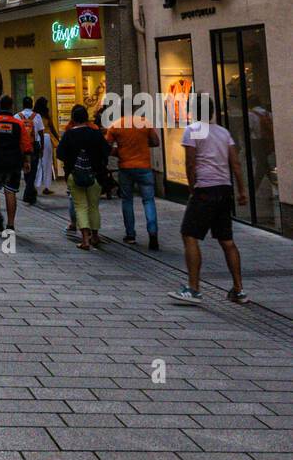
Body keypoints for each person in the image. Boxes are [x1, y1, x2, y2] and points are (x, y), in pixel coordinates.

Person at [169, 95, 249, 305]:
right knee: (227, 240)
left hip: (205, 188)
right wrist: (241, 190)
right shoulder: (224, 133)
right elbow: (236, 163)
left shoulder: (193, 130)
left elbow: (190, 163)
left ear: (193, 110)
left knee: (189, 235)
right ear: (212, 111)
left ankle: (194, 289)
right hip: (224, 189)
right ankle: (239, 290)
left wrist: (192, 187)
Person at [57, 104, 110, 249]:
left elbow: (60, 154)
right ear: (86, 118)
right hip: (95, 175)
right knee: (94, 206)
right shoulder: (95, 133)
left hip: (75, 175)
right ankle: (96, 236)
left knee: (80, 206)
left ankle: (85, 240)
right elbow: (107, 150)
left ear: (73, 119)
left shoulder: (69, 134)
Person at [105, 109, 161, 248]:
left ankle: (130, 235)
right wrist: (141, 144)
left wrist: (120, 152)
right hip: (144, 166)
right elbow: (155, 142)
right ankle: (153, 233)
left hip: (125, 167)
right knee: (148, 200)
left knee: (127, 200)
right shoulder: (144, 123)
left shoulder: (116, 125)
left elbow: (106, 147)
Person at [0, 95, 33, 236]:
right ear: (11, 106)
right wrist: (27, 161)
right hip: (13, 161)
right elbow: (26, 144)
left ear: (0, 106)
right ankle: (10, 224)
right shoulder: (19, 124)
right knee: (10, 192)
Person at [19, 96, 43, 204]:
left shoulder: (17, 116)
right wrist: (41, 146)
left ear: (23, 105)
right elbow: (41, 133)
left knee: (26, 168)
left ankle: (30, 192)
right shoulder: (37, 116)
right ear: (32, 104)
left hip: (23, 147)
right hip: (34, 145)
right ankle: (29, 193)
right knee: (33, 169)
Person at [33, 96, 58, 195]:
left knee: (37, 163)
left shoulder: (34, 116)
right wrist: (58, 138)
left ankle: (35, 185)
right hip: (47, 138)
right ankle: (46, 187)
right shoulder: (46, 115)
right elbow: (52, 128)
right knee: (47, 163)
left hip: (37, 139)